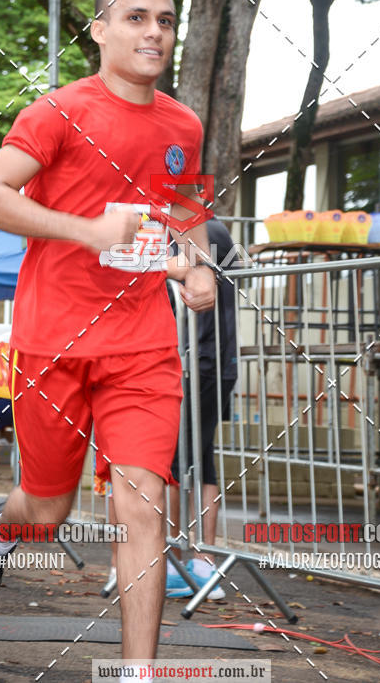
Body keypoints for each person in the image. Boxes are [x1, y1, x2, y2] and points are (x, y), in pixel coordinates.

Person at [0, 0, 215, 666]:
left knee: (141, 504)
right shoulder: (57, 111)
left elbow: (186, 208)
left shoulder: (184, 124)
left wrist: (198, 267)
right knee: (47, 509)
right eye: (136, 17)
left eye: (165, 19)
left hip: (143, 345)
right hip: (55, 340)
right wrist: (87, 231)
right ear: (99, 30)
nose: (154, 31)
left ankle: (136, 675)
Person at [165, 219, 239, 600]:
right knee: (203, 457)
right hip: (217, 361)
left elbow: (172, 273)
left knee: (174, 461)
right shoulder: (217, 231)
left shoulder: (189, 232)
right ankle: (203, 562)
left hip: (198, 361)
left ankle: (174, 563)